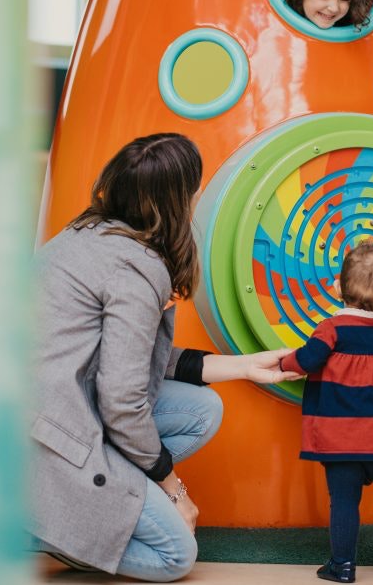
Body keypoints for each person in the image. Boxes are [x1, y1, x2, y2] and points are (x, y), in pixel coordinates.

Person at [28, 132, 298, 582]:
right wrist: (173, 488)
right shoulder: (137, 268)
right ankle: (50, 528)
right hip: (52, 438)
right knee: (176, 555)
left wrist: (245, 365)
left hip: (42, 416)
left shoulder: (87, 233)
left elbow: (130, 357)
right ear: (177, 202)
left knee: (202, 407)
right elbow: (121, 399)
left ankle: (72, 513)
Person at [280, 240, 373, 583]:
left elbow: (309, 359)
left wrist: (285, 362)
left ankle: (343, 565)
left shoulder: (331, 328)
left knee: (345, 501)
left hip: (342, 438)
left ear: (337, 286)